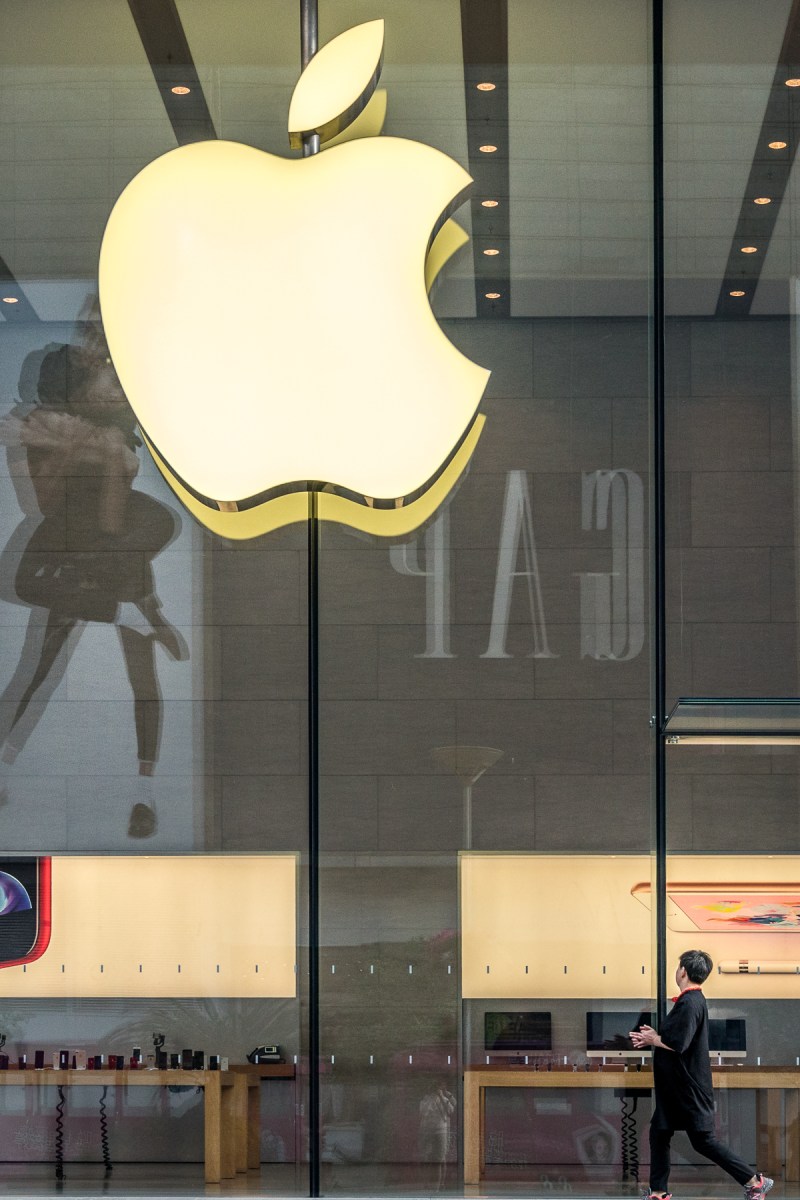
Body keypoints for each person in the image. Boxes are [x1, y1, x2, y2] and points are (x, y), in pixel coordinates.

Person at [630, 950, 772, 1200]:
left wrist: (654, 1038)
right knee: (659, 1132)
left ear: (683, 971)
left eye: (678, 968)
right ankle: (659, 1191)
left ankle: (754, 1181)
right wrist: (653, 1039)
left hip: (687, 1088)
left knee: (702, 1140)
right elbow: (675, 1040)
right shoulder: (691, 1001)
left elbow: (678, 1043)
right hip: (677, 1089)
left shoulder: (690, 1002)